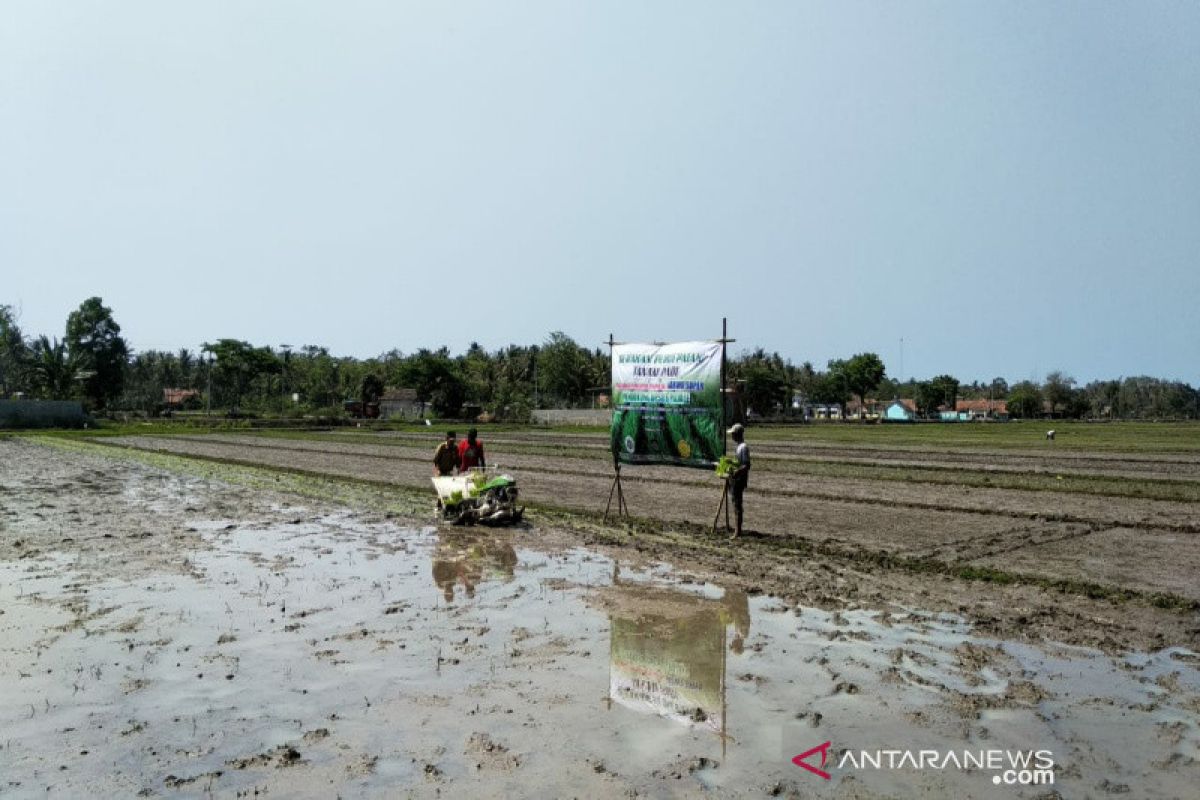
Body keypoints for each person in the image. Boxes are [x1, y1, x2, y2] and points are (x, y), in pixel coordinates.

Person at [728, 423, 751, 538]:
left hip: (739, 480)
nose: (731, 436)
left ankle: (738, 531)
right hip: (736, 480)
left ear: (737, 434)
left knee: (737, 505)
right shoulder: (739, 447)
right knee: (735, 503)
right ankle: (737, 530)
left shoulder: (743, 447)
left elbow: (746, 465)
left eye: (733, 434)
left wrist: (737, 472)